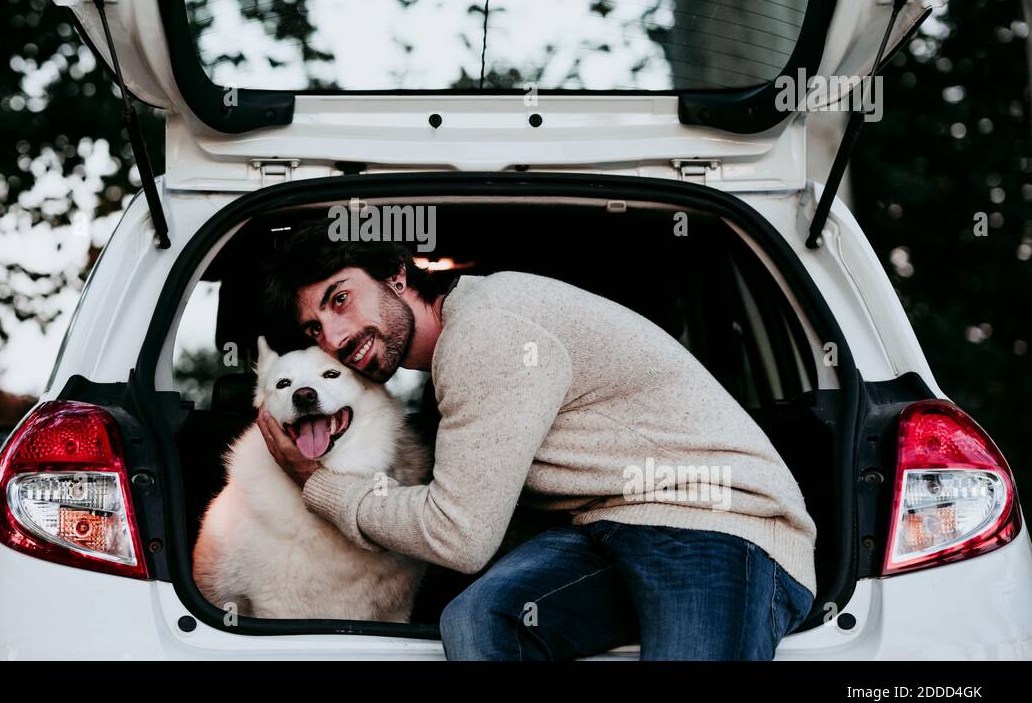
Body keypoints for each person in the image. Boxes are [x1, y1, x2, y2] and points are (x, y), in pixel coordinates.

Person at [257, 217, 816, 660]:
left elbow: (459, 538)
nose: (334, 336)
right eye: (314, 329)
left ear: (397, 276)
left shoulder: (486, 332)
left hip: (717, 523)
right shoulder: (469, 338)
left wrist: (317, 482)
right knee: (480, 619)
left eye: (339, 299)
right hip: (610, 528)